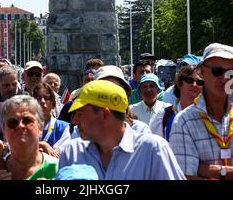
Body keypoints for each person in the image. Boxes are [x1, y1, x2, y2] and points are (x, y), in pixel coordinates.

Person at [59, 79, 185, 180]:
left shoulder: (153, 150)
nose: (74, 121)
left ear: (104, 115)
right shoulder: (71, 152)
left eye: (80, 114)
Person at [170, 43, 233, 180]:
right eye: (218, 71)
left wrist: (209, 170)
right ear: (202, 72)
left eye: (231, 73)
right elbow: (184, 177)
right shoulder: (184, 122)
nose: (225, 78)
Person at [0, 95, 58, 180]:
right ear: (3, 130)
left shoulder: (59, 169)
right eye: (12, 122)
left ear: (40, 127)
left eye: (27, 120)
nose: (20, 126)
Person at [150, 65, 204, 140]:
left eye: (199, 82)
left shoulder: (207, 115)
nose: (194, 85)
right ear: (180, 83)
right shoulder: (164, 115)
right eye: (189, 80)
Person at [94, 65, 151, 135]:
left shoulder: (140, 131)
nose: (109, 95)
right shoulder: (79, 133)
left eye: (115, 90)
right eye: (103, 89)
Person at [32, 82, 70, 155]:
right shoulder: (25, 125)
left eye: (46, 98)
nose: (42, 101)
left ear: (53, 104)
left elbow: (60, 157)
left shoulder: (63, 128)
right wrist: (43, 145)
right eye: (38, 98)